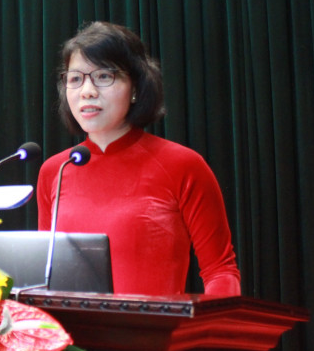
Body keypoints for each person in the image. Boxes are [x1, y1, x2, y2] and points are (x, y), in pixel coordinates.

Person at [37, 21, 240, 295]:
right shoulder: (56, 170)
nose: (87, 91)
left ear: (135, 87)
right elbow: (44, 276)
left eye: (104, 76)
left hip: (155, 323)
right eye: (75, 79)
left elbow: (220, 271)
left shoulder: (182, 165)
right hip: (68, 325)